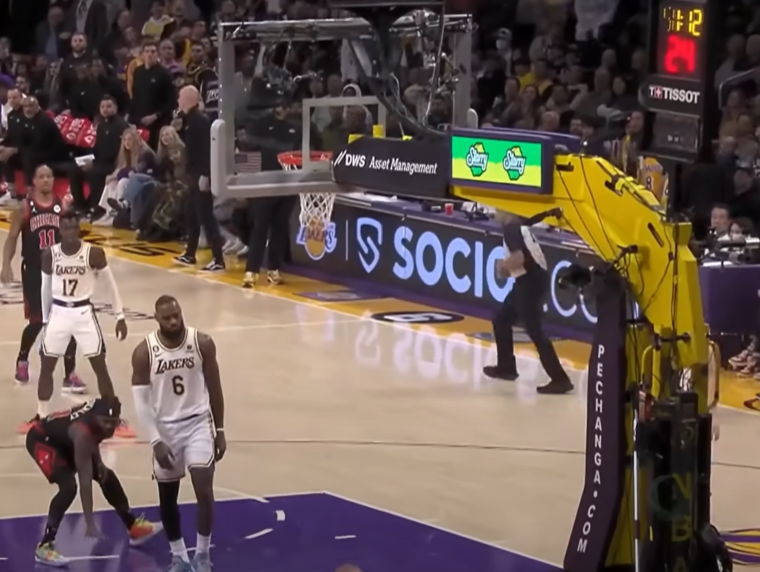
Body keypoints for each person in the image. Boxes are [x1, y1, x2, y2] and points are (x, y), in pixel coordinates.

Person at [131, 295, 226, 572]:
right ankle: (179, 557)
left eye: (177, 315)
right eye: (167, 318)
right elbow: (141, 402)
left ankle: (203, 555)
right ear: (157, 319)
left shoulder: (202, 343)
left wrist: (220, 429)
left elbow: (215, 388)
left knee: (204, 489)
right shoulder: (144, 352)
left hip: (198, 423)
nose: (173, 321)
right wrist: (155, 440)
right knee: (168, 497)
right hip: (165, 428)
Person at [26, 396, 162, 566]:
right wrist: (89, 522)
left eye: (113, 422)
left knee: (106, 475)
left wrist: (99, 464)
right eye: (106, 422)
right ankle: (45, 546)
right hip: (43, 440)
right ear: (97, 418)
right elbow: (85, 479)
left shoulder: (99, 416)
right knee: (69, 487)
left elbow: (94, 438)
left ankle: (133, 526)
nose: (109, 427)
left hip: (65, 438)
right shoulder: (81, 431)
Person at [37, 210, 134, 436]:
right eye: (66, 228)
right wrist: (45, 320)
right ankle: (41, 415)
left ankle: (112, 416)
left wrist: (119, 316)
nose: (71, 232)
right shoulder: (50, 255)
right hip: (59, 312)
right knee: (47, 365)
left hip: (83, 312)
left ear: (79, 228)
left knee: (100, 366)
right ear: (60, 230)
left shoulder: (94, 253)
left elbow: (110, 286)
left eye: (74, 227)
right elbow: (45, 289)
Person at [0, 165, 84, 397]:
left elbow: (72, 238)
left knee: (69, 320)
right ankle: (22, 360)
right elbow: (12, 237)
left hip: (59, 270)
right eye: (41, 177)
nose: (46, 180)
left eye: (49, 176)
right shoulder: (25, 207)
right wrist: (6, 264)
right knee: (37, 321)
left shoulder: (62, 206)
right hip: (34, 271)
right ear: (34, 181)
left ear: (53, 180)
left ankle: (70, 374)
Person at [483, 210, 573, 395]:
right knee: (502, 320)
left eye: (497, 209)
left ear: (506, 211)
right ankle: (506, 367)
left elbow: (519, 258)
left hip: (530, 282)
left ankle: (560, 379)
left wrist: (502, 266)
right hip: (530, 279)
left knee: (534, 329)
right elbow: (534, 220)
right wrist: (552, 212)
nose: (494, 213)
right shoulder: (519, 224)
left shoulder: (510, 229)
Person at [173, 86, 225, 272]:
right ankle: (190, 254)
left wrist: (206, 175)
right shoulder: (190, 120)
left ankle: (218, 259)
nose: (178, 100)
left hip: (201, 175)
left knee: (206, 217)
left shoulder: (200, 121)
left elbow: (206, 150)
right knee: (192, 216)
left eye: (180, 97)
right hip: (193, 175)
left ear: (188, 99)